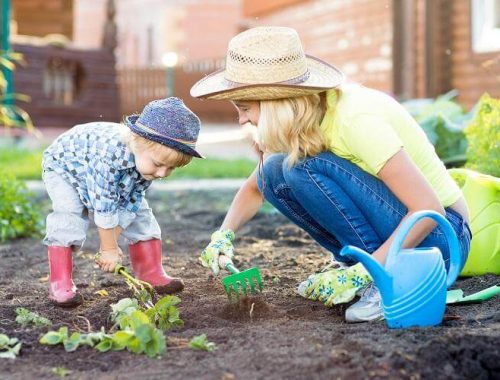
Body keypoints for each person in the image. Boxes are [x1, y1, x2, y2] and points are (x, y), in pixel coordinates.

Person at [190, 26, 472, 322]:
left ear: (277, 104)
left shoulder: (356, 120)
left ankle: (382, 278)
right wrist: (222, 235)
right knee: (274, 170)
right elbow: (256, 186)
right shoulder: (311, 116)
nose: (241, 119)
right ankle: (357, 264)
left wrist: (365, 273)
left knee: (300, 167)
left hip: (439, 244)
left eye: (245, 108)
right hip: (413, 234)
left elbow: (428, 210)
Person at [42, 97, 203, 306]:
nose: (163, 173)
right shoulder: (109, 157)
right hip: (65, 167)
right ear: (137, 143)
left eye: (171, 168)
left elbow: (130, 203)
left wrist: (110, 242)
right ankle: (60, 282)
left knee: (142, 215)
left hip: (101, 170)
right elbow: (105, 204)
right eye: (159, 164)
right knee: (69, 215)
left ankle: (150, 272)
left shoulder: (147, 165)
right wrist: (109, 249)